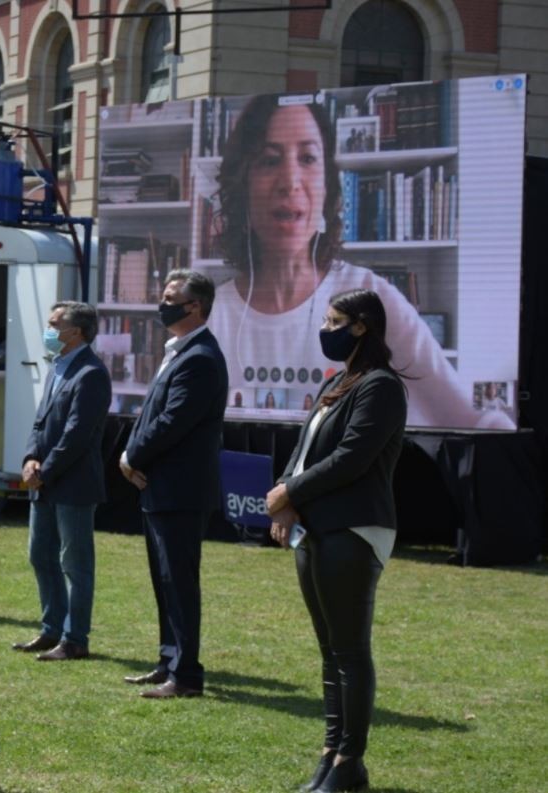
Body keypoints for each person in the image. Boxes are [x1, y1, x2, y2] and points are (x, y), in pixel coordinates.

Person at [207, 95, 512, 430]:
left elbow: (472, 419)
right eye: (269, 160)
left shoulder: (369, 297)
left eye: (307, 158)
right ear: (243, 184)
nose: (290, 182)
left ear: (327, 186)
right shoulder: (212, 312)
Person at [266, 289, 407, 793]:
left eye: (334, 321)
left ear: (362, 326)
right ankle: (332, 754)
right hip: (317, 528)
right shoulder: (338, 381)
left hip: (354, 528)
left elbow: (351, 457)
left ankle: (350, 759)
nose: (325, 330)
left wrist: (289, 492)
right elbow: (305, 450)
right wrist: (286, 495)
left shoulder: (380, 386)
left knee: (349, 650)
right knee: (330, 650)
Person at [120, 270, 228, 698]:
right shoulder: (179, 351)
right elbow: (151, 414)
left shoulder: (200, 357)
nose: (161, 304)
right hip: (161, 487)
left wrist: (131, 456)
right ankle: (168, 662)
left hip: (180, 489)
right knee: (164, 582)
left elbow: (171, 421)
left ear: (195, 306)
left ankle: (185, 676)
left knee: (179, 583)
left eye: (170, 298)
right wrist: (131, 454)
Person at [13, 302, 111, 662]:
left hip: (73, 484)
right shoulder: (58, 368)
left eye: (56, 324)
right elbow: (40, 423)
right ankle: (51, 629)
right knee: (40, 554)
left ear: (77, 332)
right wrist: (30, 458)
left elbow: (77, 434)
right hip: (46, 481)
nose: (49, 330)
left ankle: (74, 638)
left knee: (75, 563)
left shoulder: (91, 373)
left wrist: (45, 470)